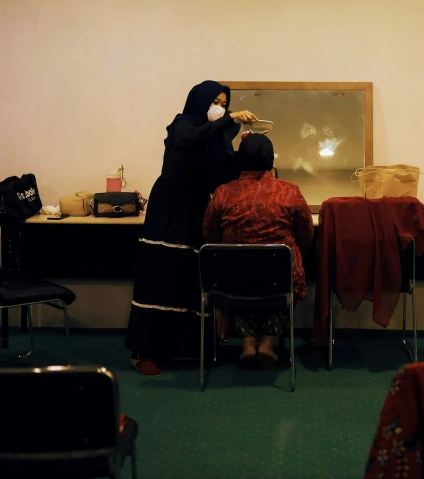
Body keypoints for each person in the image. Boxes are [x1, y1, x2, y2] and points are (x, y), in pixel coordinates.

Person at [127, 80, 258, 377]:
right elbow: (188, 141)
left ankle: (184, 348)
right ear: (200, 101)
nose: (221, 108)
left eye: (225, 104)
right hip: (170, 208)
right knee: (160, 275)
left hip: (198, 208)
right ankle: (143, 351)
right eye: (216, 102)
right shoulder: (182, 123)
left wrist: (247, 148)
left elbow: (224, 173)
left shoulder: (220, 136)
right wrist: (231, 119)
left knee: (189, 277)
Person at [202, 133, 314, 368]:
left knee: (240, 273)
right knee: (284, 273)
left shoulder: (222, 193)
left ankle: (248, 344)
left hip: (233, 281)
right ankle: (268, 344)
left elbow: (209, 234)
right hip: (280, 279)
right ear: (270, 161)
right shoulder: (289, 192)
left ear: (240, 160)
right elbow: (305, 234)